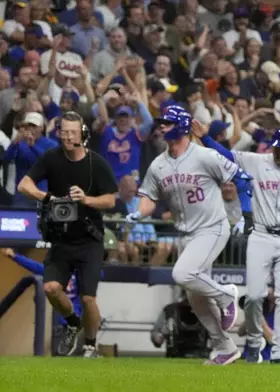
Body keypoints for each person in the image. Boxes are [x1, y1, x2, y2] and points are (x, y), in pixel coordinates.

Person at [125, 105, 254, 366]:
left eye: (168, 123)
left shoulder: (205, 156)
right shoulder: (158, 164)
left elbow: (242, 179)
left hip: (213, 227)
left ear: (182, 126)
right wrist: (139, 213)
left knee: (181, 274)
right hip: (186, 234)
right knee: (195, 298)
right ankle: (224, 347)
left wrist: (246, 214)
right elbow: (148, 198)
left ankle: (226, 295)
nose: (161, 127)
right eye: (161, 123)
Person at [199, 126, 280, 363]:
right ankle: (255, 340)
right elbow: (225, 155)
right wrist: (204, 137)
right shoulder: (258, 161)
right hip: (261, 234)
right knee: (255, 296)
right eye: (278, 148)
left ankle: (279, 351)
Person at [16, 111, 118, 358]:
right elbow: (23, 185)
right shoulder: (51, 158)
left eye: (73, 132)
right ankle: (72, 322)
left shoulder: (96, 163)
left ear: (82, 134)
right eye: (64, 132)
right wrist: (48, 197)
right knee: (51, 288)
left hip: (89, 240)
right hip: (60, 239)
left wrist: (86, 199)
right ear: (58, 132)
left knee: (88, 299)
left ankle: (91, 345)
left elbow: (111, 200)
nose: (68, 137)